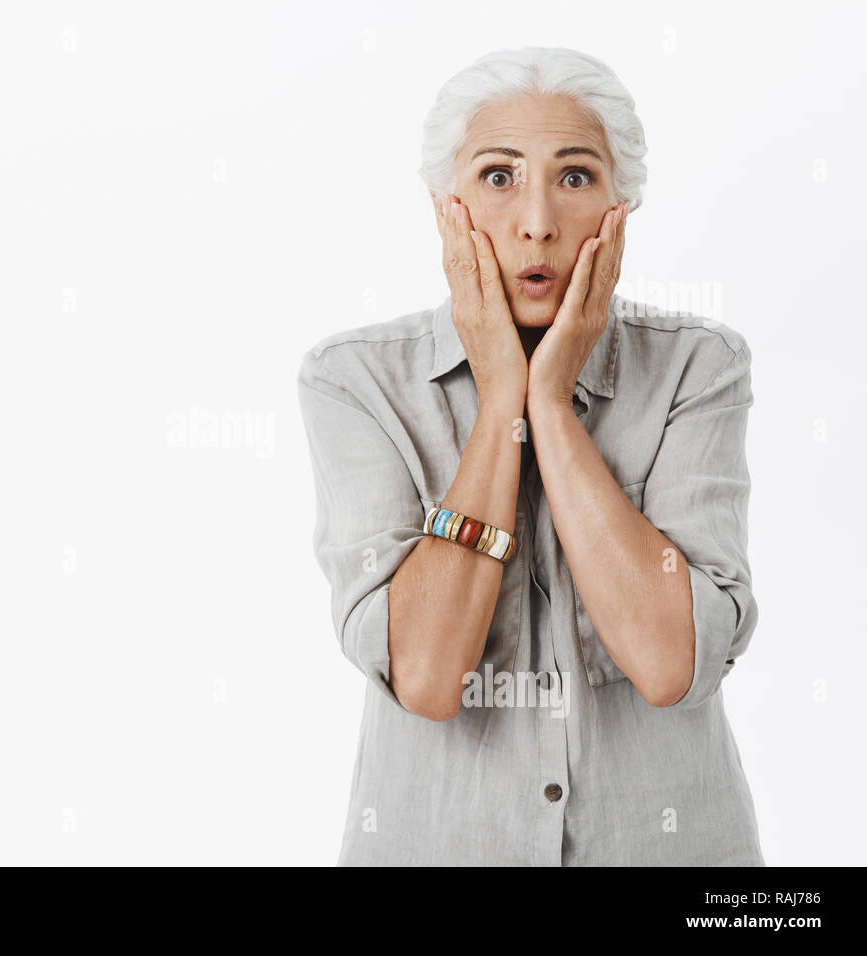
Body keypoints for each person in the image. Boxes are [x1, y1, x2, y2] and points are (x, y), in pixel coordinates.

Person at [296, 46, 763, 866]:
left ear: (621, 205)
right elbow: (431, 678)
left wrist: (550, 404)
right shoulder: (354, 381)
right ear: (449, 207)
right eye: (499, 176)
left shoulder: (700, 366)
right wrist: (500, 404)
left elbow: (667, 662)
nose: (538, 220)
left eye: (576, 177)